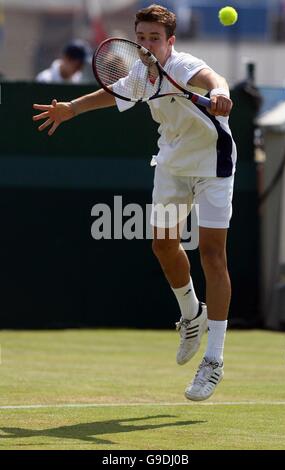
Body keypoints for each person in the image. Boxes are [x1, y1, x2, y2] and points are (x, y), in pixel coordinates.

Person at [33, 4, 236, 402]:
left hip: (214, 164)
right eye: (140, 38)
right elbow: (108, 94)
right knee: (162, 244)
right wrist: (71, 109)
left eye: (154, 39)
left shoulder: (184, 65)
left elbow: (213, 77)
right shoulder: (141, 76)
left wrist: (221, 92)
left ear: (170, 42)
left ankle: (213, 359)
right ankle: (192, 314)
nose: (145, 45)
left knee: (213, 254)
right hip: (173, 164)